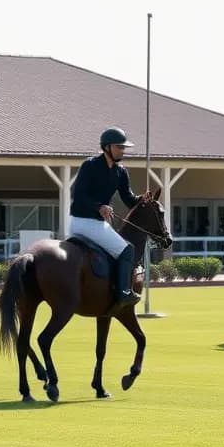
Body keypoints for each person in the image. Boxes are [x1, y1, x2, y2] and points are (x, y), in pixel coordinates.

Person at [68, 127, 152, 312]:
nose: (122, 151)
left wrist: (140, 199)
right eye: (119, 147)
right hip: (82, 222)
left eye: (123, 148)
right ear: (107, 147)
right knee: (128, 250)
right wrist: (99, 206)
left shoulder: (121, 172)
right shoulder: (89, 165)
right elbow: (78, 195)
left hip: (97, 224)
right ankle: (123, 293)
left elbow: (128, 199)